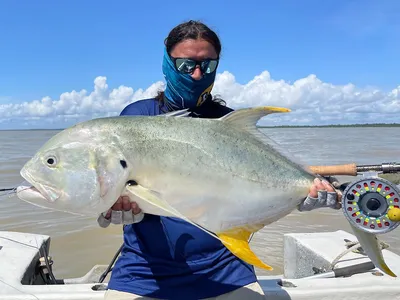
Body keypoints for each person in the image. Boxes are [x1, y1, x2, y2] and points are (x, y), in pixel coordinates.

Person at [97, 20, 341, 300]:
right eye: (187, 65)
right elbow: (112, 185)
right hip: (144, 273)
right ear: (167, 63)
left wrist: (301, 195)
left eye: (208, 65)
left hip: (227, 267)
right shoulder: (136, 118)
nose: (198, 74)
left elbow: (257, 187)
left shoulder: (229, 124)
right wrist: (109, 209)